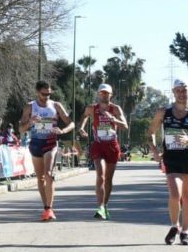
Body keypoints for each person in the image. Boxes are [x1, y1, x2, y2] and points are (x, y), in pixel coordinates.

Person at [150, 79, 188, 246]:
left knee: (187, 197)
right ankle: (174, 226)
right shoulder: (163, 112)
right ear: (173, 92)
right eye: (178, 90)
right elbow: (150, 132)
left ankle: (185, 231)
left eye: (184, 90)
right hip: (171, 158)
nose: (182, 94)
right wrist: (155, 151)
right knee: (175, 195)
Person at [21, 80, 73, 221]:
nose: (47, 97)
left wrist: (62, 130)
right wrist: (30, 122)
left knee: (48, 174)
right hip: (36, 143)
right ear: (37, 92)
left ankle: (50, 208)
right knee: (41, 178)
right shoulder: (30, 106)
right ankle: (46, 208)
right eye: (44, 94)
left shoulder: (56, 105)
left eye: (49, 94)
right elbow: (21, 129)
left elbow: (71, 123)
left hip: (51, 143)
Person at [79, 83, 127, 219]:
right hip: (98, 145)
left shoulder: (115, 109)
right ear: (98, 94)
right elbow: (84, 116)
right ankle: (100, 207)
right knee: (100, 175)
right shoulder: (92, 108)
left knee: (108, 179)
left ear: (111, 95)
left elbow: (125, 126)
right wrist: (81, 128)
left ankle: (105, 206)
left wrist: (113, 119)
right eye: (101, 93)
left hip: (112, 145)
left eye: (106, 93)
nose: (104, 95)